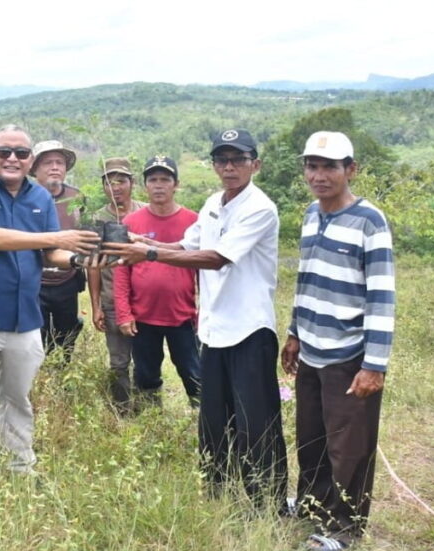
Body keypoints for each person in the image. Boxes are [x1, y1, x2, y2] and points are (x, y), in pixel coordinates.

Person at [106, 130, 288, 507]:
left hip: (250, 330)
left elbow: (216, 257)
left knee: (255, 421)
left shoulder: (260, 208)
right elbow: (187, 245)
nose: (229, 167)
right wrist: (142, 244)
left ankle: (265, 500)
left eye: (238, 159)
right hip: (214, 330)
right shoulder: (212, 203)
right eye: (222, 160)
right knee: (213, 421)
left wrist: (150, 256)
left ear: (255, 163)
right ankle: (218, 492)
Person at [0, 124, 105, 492]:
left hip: (24, 320)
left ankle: (20, 468)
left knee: (18, 399)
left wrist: (82, 261)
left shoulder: (40, 198)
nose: (12, 158)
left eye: (20, 153)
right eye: (4, 152)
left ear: (30, 160)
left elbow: (51, 254)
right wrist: (56, 237)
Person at [280, 131, 396, 551]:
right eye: (312, 166)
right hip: (311, 346)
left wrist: (375, 363)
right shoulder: (312, 214)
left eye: (330, 166)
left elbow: (382, 295)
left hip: (349, 354)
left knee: (349, 445)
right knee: (311, 436)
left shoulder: (370, 221)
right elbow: (306, 278)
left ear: (351, 170)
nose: (319, 175)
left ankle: (344, 527)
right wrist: (294, 332)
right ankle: (311, 503)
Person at [112, 156, 201, 409]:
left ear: (176, 184)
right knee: (146, 376)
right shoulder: (131, 223)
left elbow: (205, 268)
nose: (159, 185)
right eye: (153, 180)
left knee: (194, 373)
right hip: (143, 317)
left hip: (183, 316)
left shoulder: (194, 221)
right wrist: (124, 313)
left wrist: (204, 310)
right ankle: (152, 424)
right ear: (144, 186)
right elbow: (121, 271)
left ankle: (203, 423)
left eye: (165, 179)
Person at [88, 157, 146, 413]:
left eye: (121, 180)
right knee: (119, 362)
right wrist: (96, 305)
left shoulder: (145, 212)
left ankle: (148, 410)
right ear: (103, 186)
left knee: (147, 360)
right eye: (110, 182)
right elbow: (93, 265)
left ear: (131, 183)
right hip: (112, 301)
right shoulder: (96, 219)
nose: (116, 187)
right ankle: (122, 412)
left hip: (146, 300)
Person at [31, 140, 85, 364]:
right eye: (48, 162)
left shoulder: (77, 197)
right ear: (34, 168)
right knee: (37, 335)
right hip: (35, 281)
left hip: (67, 279)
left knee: (67, 331)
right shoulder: (24, 197)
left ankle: (63, 373)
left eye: (59, 162)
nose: (55, 167)